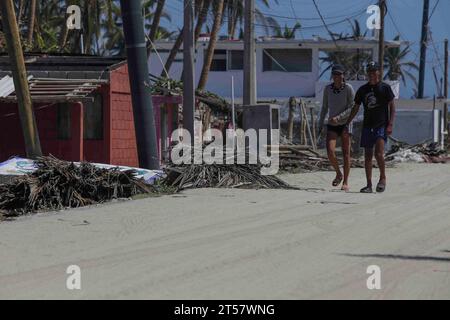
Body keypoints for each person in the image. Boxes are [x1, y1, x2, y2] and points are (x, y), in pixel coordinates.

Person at [346, 61, 396, 193]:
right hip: (367, 125)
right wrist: (348, 121)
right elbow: (356, 107)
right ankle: (368, 184)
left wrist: (390, 124)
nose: (372, 74)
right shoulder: (363, 90)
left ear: (378, 72)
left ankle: (382, 178)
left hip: (381, 125)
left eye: (374, 71)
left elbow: (392, 106)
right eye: (369, 72)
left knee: (379, 153)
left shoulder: (385, 88)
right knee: (367, 156)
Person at [318, 64, 355, 192]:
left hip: (345, 124)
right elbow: (324, 107)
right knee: (330, 151)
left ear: (343, 75)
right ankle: (338, 173)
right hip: (332, 125)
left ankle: (345, 182)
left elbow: (352, 107)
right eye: (335, 74)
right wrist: (320, 123)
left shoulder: (348, 88)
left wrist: (339, 117)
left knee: (346, 154)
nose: (337, 77)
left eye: (339, 74)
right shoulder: (328, 89)